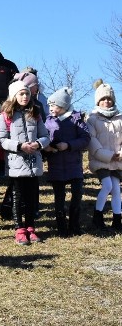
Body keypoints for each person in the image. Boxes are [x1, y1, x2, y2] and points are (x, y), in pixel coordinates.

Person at [0, 81, 50, 245]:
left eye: (27, 93)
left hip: (34, 162)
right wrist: (19, 146)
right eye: (21, 94)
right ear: (14, 95)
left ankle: (30, 227)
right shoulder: (6, 115)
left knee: (32, 198)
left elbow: (45, 135)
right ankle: (19, 229)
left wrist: (39, 144)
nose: (25, 96)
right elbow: (2, 140)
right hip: (16, 162)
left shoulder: (36, 112)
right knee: (18, 197)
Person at [43, 87, 90, 237]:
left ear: (63, 106)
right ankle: (61, 227)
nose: (51, 108)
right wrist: (48, 148)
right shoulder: (48, 122)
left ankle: (74, 225)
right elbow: (43, 140)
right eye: (49, 105)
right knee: (59, 197)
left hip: (74, 165)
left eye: (54, 105)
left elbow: (85, 139)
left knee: (77, 195)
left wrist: (68, 145)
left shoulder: (76, 119)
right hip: (55, 165)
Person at [86, 80, 122, 232]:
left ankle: (117, 219)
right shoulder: (92, 119)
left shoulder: (120, 118)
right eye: (103, 99)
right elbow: (92, 141)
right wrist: (108, 155)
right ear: (98, 101)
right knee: (107, 186)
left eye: (109, 99)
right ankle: (97, 216)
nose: (106, 102)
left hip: (117, 161)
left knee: (116, 190)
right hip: (101, 160)